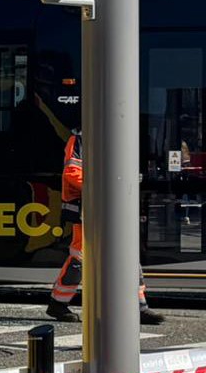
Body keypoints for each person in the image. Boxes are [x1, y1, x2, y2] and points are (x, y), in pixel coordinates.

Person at [48, 132, 165, 325]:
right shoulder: (80, 140)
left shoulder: (116, 135)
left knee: (127, 254)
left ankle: (140, 307)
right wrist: (105, 188)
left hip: (111, 206)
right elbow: (72, 172)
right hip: (88, 208)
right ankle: (58, 303)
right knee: (80, 258)